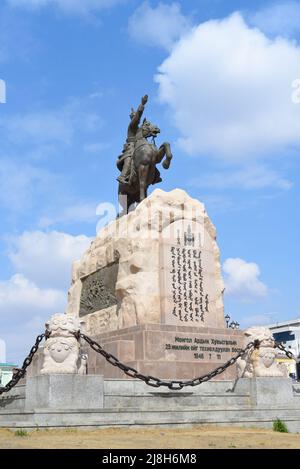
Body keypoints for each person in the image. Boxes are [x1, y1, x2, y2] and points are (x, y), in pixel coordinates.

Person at [117, 95, 148, 184]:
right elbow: (137, 116)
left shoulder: (140, 129)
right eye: (135, 117)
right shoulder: (132, 127)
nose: (137, 119)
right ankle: (122, 176)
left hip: (139, 147)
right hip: (131, 148)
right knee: (129, 159)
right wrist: (142, 104)